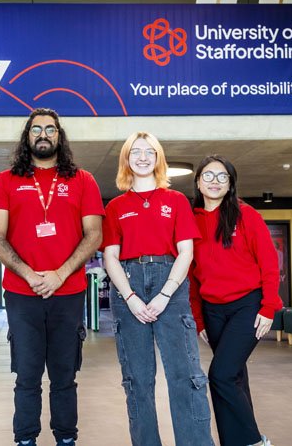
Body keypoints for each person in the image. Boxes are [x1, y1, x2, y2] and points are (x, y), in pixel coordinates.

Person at [0, 108, 104, 446]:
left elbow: (93, 234)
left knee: (65, 375)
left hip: (68, 293)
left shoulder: (83, 181)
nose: (43, 134)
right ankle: (26, 439)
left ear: (59, 136)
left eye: (50, 129)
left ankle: (66, 438)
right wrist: (30, 275)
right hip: (22, 295)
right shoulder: (6, 181)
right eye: (36, 129)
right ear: (27, 137)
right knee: (27, 375)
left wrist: (59, 274)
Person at [101, 132, 214, 446]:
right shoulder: (115, 206)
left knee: (185, 376)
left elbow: (186, 252)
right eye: (135, 152)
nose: (142, 157)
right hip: (129, 283)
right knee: (137, 380)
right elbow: (110, 256)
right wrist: (131, 297)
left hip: (171, 283)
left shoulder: (176, 201)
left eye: (149, 152)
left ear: (158, 158)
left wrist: (165, 294)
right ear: (126, 159)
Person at [188, 155, 283, 446]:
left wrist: (268, 307)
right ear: (198, 183)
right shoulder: (191, 220)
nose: (214, 181)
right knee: (235, 377)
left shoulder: (246, 215)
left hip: (248, 305)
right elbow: (191, 275)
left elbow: (269, 262)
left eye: (222, 177)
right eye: (208, 175)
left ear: (230, 185)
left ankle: (254, 441)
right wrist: (198, 319)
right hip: (213, 310)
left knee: (220, 375)